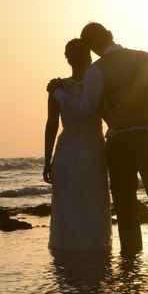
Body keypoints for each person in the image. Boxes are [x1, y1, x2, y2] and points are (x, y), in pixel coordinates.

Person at [48, 23, 148, 255]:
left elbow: (84, 108)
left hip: (120, 144)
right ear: (110, 35)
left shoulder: (97, 70)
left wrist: (60, 92)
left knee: (126, 209)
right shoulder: (147, 59)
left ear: (91, 48)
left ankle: (131, 262)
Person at [44, 39, 111, 252]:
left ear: (67, 58)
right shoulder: (98, 86)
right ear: (89, 57)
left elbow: (51, 125)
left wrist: (47, 160)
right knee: (92, 202)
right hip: (90, 149)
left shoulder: (59, 88)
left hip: (70, 150)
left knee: (69, 205)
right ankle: (95, 247)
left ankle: (68, 251)